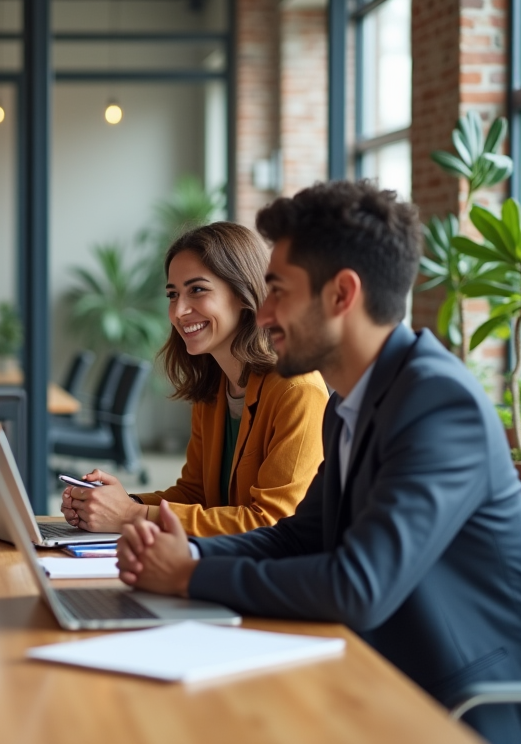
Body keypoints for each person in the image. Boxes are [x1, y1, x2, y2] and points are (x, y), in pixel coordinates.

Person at [115, 182, 521, 744]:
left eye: (278, 291)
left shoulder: (438, 404)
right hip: (375, 675)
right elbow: (297, 536)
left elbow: (359, 586)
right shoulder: (351, 402)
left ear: (342, 295)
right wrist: (188, 552)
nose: (264, 313)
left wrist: (189, 575)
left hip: (460, 711)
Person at [60, 222, 328, 536]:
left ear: (244, 293)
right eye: (173, 295)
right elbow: (196, 494)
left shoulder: (298, 390)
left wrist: (132, 514)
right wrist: (117, 504)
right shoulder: (214, 388)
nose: (179, 311)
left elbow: (272, 523)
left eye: (197, 290)